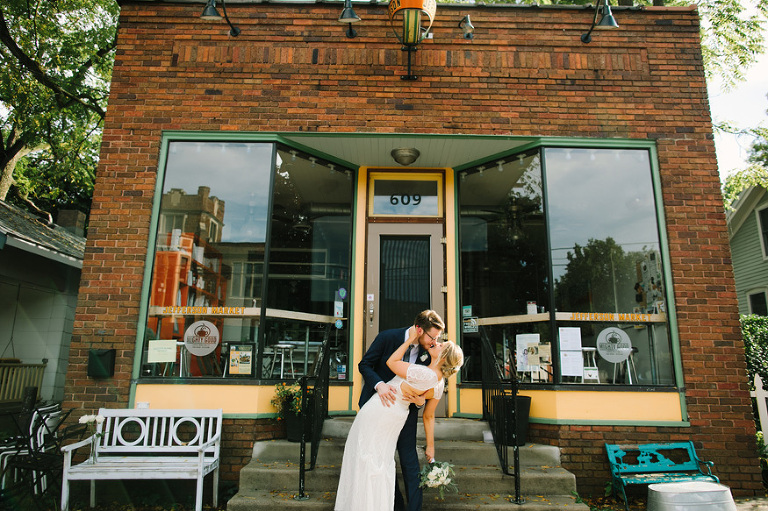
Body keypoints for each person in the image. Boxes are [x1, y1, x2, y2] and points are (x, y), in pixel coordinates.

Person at [334, 310, 464, 511]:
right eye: (432, 337)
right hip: (379, 405)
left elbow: (427, 385)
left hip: (404, 412)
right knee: (379, 459)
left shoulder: (428, 353)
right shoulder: (388, 337)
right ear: (419, 330)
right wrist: (379, 384)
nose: (434, 342)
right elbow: (365, 365)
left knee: (408, 460)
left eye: (438, 340)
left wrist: (421, 400)